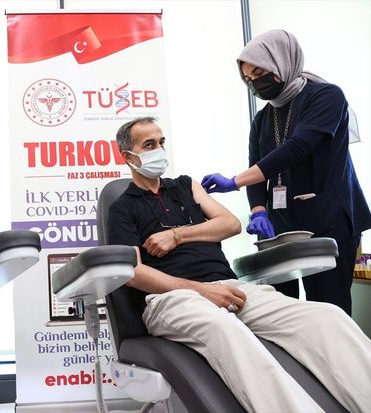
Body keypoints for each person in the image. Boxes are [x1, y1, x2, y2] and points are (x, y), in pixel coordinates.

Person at [110, 117, 371, 412]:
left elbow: (230, 224)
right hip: (173, 299)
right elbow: (133, 272)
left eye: (161, 143)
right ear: (128, 156)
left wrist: (177, 235)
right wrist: (201, 291)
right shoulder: (122, 208)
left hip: (230, 288)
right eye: (149, 145)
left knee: (327, 317)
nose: (159, 150)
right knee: (228, 330)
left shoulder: (185, 186)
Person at [201, 29, 371, 315]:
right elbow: (257, 165)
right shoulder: (263, 118)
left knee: (328, 308)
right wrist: (258, 210)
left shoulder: (326, 96)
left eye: (259, 73)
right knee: (283, 310)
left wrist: (234, 182)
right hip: (282, 227)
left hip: (328, 220)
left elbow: (297, 148)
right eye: (248, 79)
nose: (255, 83)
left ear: (282, 61)